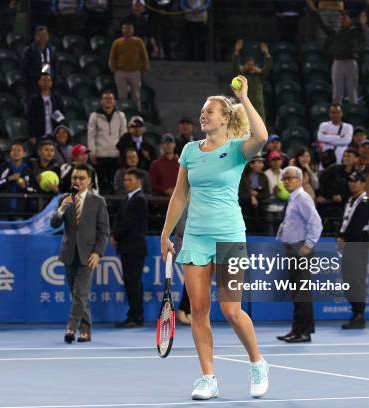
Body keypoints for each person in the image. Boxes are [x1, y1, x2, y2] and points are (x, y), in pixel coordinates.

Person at [160, 75, 270, 400]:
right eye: (202, 111)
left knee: (231, 310)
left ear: (226, 118)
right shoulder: (190, 151)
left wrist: (244, 97)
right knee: (198, 310)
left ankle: (257, 363)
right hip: (195, 238)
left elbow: (262, 135)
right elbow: (180, 195)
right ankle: (208, 377)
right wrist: (167, 234)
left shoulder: (238, 150)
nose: (203, 115)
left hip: (229, 235)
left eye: (210, 111)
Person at [51, 164, 110, 344]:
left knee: (80, 293)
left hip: (88, 254)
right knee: (79, 295)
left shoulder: (98, 201)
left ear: (89, 181)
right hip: (69, 253)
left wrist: (98, 253)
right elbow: (53, 224)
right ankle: (86, 330)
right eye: (75, 178)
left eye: (81, 178)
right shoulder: (64, 199)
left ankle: (71, 328)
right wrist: (61, 209)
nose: (77, 181)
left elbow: (104, 231)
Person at [276, 166, 323, 343]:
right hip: (293, 248)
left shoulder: (302, 198)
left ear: (299, 179)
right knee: (297, 292)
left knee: (302, 292)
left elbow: (316, 223)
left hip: (301, 249)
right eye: (283, 179)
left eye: (289, 178)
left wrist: (308, 245)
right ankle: (296, 330)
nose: (285, 181)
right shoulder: (294, 198)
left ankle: (305, 332)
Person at [307, 3, 369, 104]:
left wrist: (365, 13)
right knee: (337, 91)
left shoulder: (353, 30)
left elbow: (361, 23)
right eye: (341, 18)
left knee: (352, 90)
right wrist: (314, 11)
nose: (343, 20)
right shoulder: (335, 33)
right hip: (338, 62)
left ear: (349, 20)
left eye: (345, 18)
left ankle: (352, 110)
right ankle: (337, 109)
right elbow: (322, 25)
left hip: (350, 61)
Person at [111, 169, 148, 328]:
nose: (126, 182)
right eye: (125, 180)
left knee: (134, 283)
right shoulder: (128, 198)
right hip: (127, 248)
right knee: (130, 283)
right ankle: (133, 314)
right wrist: (114, 234)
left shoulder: (139, 199)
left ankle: (137, 317)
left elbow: (129, 222)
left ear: (139, 181)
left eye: (130, 180)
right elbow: (119, 219)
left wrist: (115, 236)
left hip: (134, 248)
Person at [337, 171, 369, 329]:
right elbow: (345, 222)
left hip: (357, 245)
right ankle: (355, 312)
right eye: (350, 181)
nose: (352, 183)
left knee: (356, 279)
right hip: (349, 245)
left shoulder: (364, 202)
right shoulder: (350, 200)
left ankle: (359, 315)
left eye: (356, 181)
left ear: (363, 183)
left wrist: (345, 238)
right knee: (348, 280)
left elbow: (357, 226)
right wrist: (339, 235)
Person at [87, 90, 127, 192]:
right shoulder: (94, 116)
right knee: (100, 183)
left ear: (114, 101)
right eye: (106, 98)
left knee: (115, 183)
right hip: (100, 155)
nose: (108, 100)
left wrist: (123, 153)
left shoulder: (120, 115)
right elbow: (91, 136)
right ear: (101, 101)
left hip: (116, 155)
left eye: (111, 98)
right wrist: (92, 153)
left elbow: (124, 136)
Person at [108, 21, 150, 110]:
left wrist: (145, 68)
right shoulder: (117, 42)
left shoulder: (138, 41)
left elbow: (144, 56)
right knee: (122, 95)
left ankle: (137, 112)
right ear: (122, 30)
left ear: (133, 30)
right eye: (125, 28)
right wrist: (114, 69)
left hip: (135, 72)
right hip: (121, 72)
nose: (127, 31)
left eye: (129, 28)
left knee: (136, 94)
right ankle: (122, 112)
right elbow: (112, 57)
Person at [232, 39, 272, 121]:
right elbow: (235, 66)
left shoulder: (259, 77)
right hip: (243, 109)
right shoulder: (240, 77)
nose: (250, 66)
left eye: (252, 65)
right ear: (243, 66)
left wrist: (266, 53)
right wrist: (236, 51)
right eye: (248, 64)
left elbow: (267, 68)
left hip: (258, 109)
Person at [0, 142, 34, 216]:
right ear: (10, 153)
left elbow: (33, 189)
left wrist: (25, 187)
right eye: (13, 150)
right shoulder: (2, 167)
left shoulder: (28, 170)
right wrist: (9, 179)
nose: (16, 152)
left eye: (19, 150)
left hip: (21, 210)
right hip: (3, 209)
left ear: (24, 153)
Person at [27, 72, 65, 144]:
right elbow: (31, 119)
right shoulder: (34, 99)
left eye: (48, 80)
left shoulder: (57, 98)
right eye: (44, 80)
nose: (46, 82)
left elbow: (62, 116)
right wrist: (32, 135)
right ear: (39, 82)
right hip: (40, 134)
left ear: (51, 83)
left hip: (54, 133)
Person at [238, 155, 270, 233]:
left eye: (262, 163)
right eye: (258, 162)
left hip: (260, 208)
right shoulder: (243, 177)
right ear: (251, 165)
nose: (261, 165)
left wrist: (256, 195)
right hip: (245, 207)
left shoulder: (264, 177)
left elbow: (266, 193)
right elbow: (240, 193)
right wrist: (251, 196)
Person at [21, 26, 56, 94]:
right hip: (34, 84)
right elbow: (24, 68)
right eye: (40, 35)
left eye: (44, 35)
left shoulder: (52, 50)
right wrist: (27, 83)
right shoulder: (29, 51)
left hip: (49, 85)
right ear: (36, 36)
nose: (42, 37)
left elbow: (55, 67)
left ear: (48, 36)